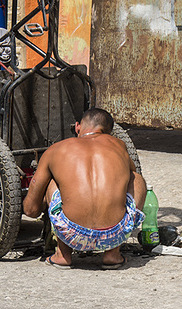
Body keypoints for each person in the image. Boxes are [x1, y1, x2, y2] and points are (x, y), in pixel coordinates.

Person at [23, 108, 147, 269]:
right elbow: (132, 173)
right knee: (137, 179)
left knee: (53, 179)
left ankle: (63, 254)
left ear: (77, 127)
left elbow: (31, 210)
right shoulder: (119, 145)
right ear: (109, 133)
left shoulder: (55, 149)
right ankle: (112, 254)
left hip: (70, 234)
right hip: (115, 234)